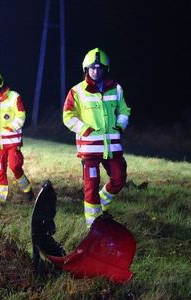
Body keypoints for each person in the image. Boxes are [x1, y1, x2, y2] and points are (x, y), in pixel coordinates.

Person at [62, 48, 131, 228]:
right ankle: (92, 225)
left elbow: (125, 110)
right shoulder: (77, 91)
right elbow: (67, 115)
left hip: (112, 148)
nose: (95, 71)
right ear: (86, 69)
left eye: (99, 68)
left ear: (105, 69)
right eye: (92, 68)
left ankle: (100, 206)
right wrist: (84, 130)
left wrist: (120, 126)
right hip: (89, 149)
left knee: (119, 179)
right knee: (91, 186)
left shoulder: (116, 89)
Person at [0, 73, 33, 203]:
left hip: (12, 141)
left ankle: (27, 189)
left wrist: (10, 128)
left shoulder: (14, 97)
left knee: (15, 165)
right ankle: (0, 199)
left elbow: (21, 116)